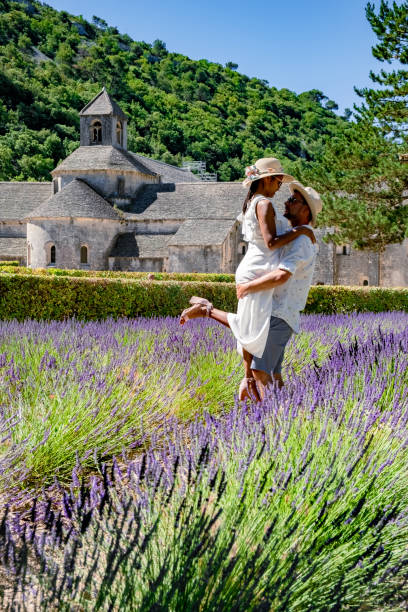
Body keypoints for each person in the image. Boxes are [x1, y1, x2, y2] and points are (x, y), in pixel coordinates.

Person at [179, 157, 320, 400]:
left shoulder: (297, 238)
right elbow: (272, 244)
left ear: (305, 210)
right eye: (278, 181)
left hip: (277, 306)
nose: (283, 194)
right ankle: (277, 419)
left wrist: (303, 231)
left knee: (258, 351)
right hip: (263, 283)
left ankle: (206, 311)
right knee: (260, 362)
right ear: (267, 179)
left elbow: (281, 273)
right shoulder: (277, 217)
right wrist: (302, 229)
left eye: (293, 199)